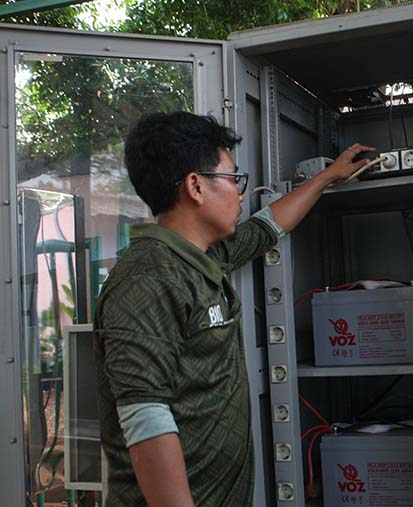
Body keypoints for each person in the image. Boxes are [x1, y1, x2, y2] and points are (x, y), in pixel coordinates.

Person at [94, 111, 374, 507]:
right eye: (232, 179)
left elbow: (267, 227)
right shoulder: (148, 279)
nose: (241, 192)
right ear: (195, 186)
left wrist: (327, 177)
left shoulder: (201, 256)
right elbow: (146, 418)